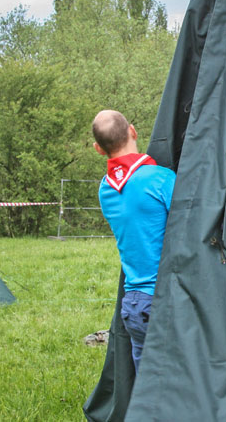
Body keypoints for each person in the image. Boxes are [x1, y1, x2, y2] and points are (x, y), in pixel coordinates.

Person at [92, 110, 176, 371]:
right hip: (166, 300)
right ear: (133, 131)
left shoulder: (106, 189)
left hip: (134, 304)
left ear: (98, 149)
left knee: (148, 389)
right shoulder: (161, 179)